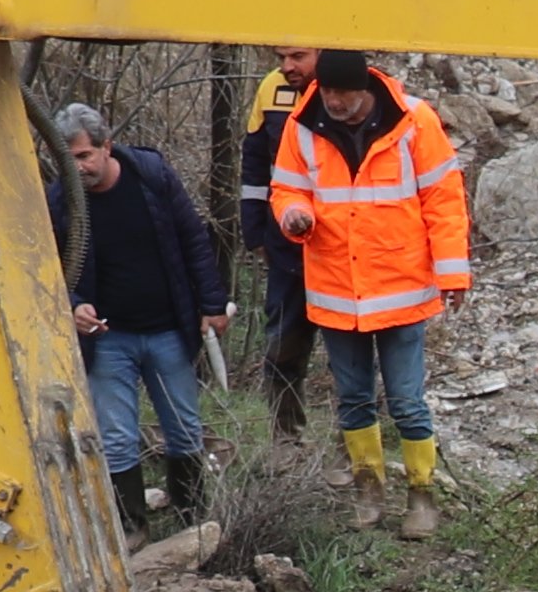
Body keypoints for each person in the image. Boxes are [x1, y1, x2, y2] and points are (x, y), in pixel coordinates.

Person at [262, 50, 469, 539]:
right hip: (336, 289)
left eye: (342, 93)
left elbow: (444, 199)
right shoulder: (302, 126)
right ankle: (368, 491)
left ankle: (422, 497)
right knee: (353, 399)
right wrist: (293, 215)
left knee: (407, 402)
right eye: (327, 91)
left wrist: (453, 272)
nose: (332, 101)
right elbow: (285, 189)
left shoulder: (415, 122)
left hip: (400, 289)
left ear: (366, 88)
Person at [55, 101, 229, 542]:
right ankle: (133, 526)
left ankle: (193, 517)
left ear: (106, 147)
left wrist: (211, 303)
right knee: (115, 435)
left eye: (83, 157)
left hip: (169, 328)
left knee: (183, 426)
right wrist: (73, 304)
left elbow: (193, 238)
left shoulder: (151, 177)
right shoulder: (59, 201)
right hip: (108, 338)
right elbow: (50, 268)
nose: (77, 169)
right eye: (67, 160)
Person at [233, 49, 321, 436]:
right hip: (286, 248)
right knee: (283, 344)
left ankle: (353, 449)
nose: (287, 67)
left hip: (343, 251)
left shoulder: (348, 89)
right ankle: (285, 438)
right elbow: (254, 164)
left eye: (298, 56)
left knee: (351, 356)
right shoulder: (272, 88)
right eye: (281, 56)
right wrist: (254, 232)